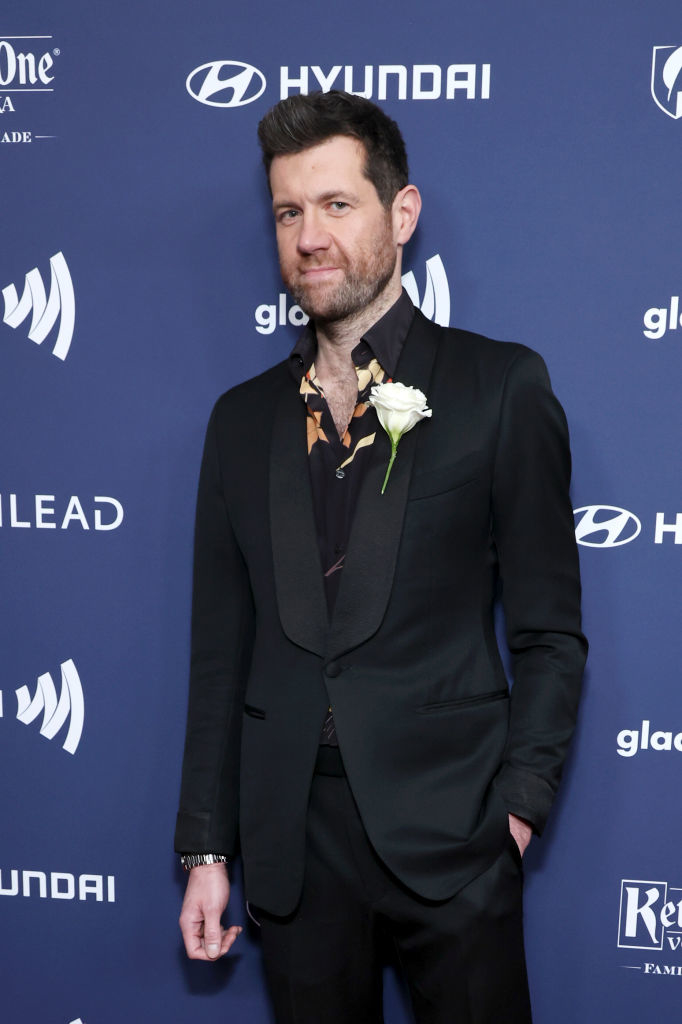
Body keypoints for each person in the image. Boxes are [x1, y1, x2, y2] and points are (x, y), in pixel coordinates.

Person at [175, 90, 587, 1024]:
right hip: (291, 845)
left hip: (455, 836)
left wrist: (514, 813)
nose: (309, 237)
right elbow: (218, 656)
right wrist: (206, 849)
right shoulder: (240, 423)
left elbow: (552, 634)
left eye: (336, 204)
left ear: (401, 215)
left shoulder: (498, 387)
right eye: (288, 212)